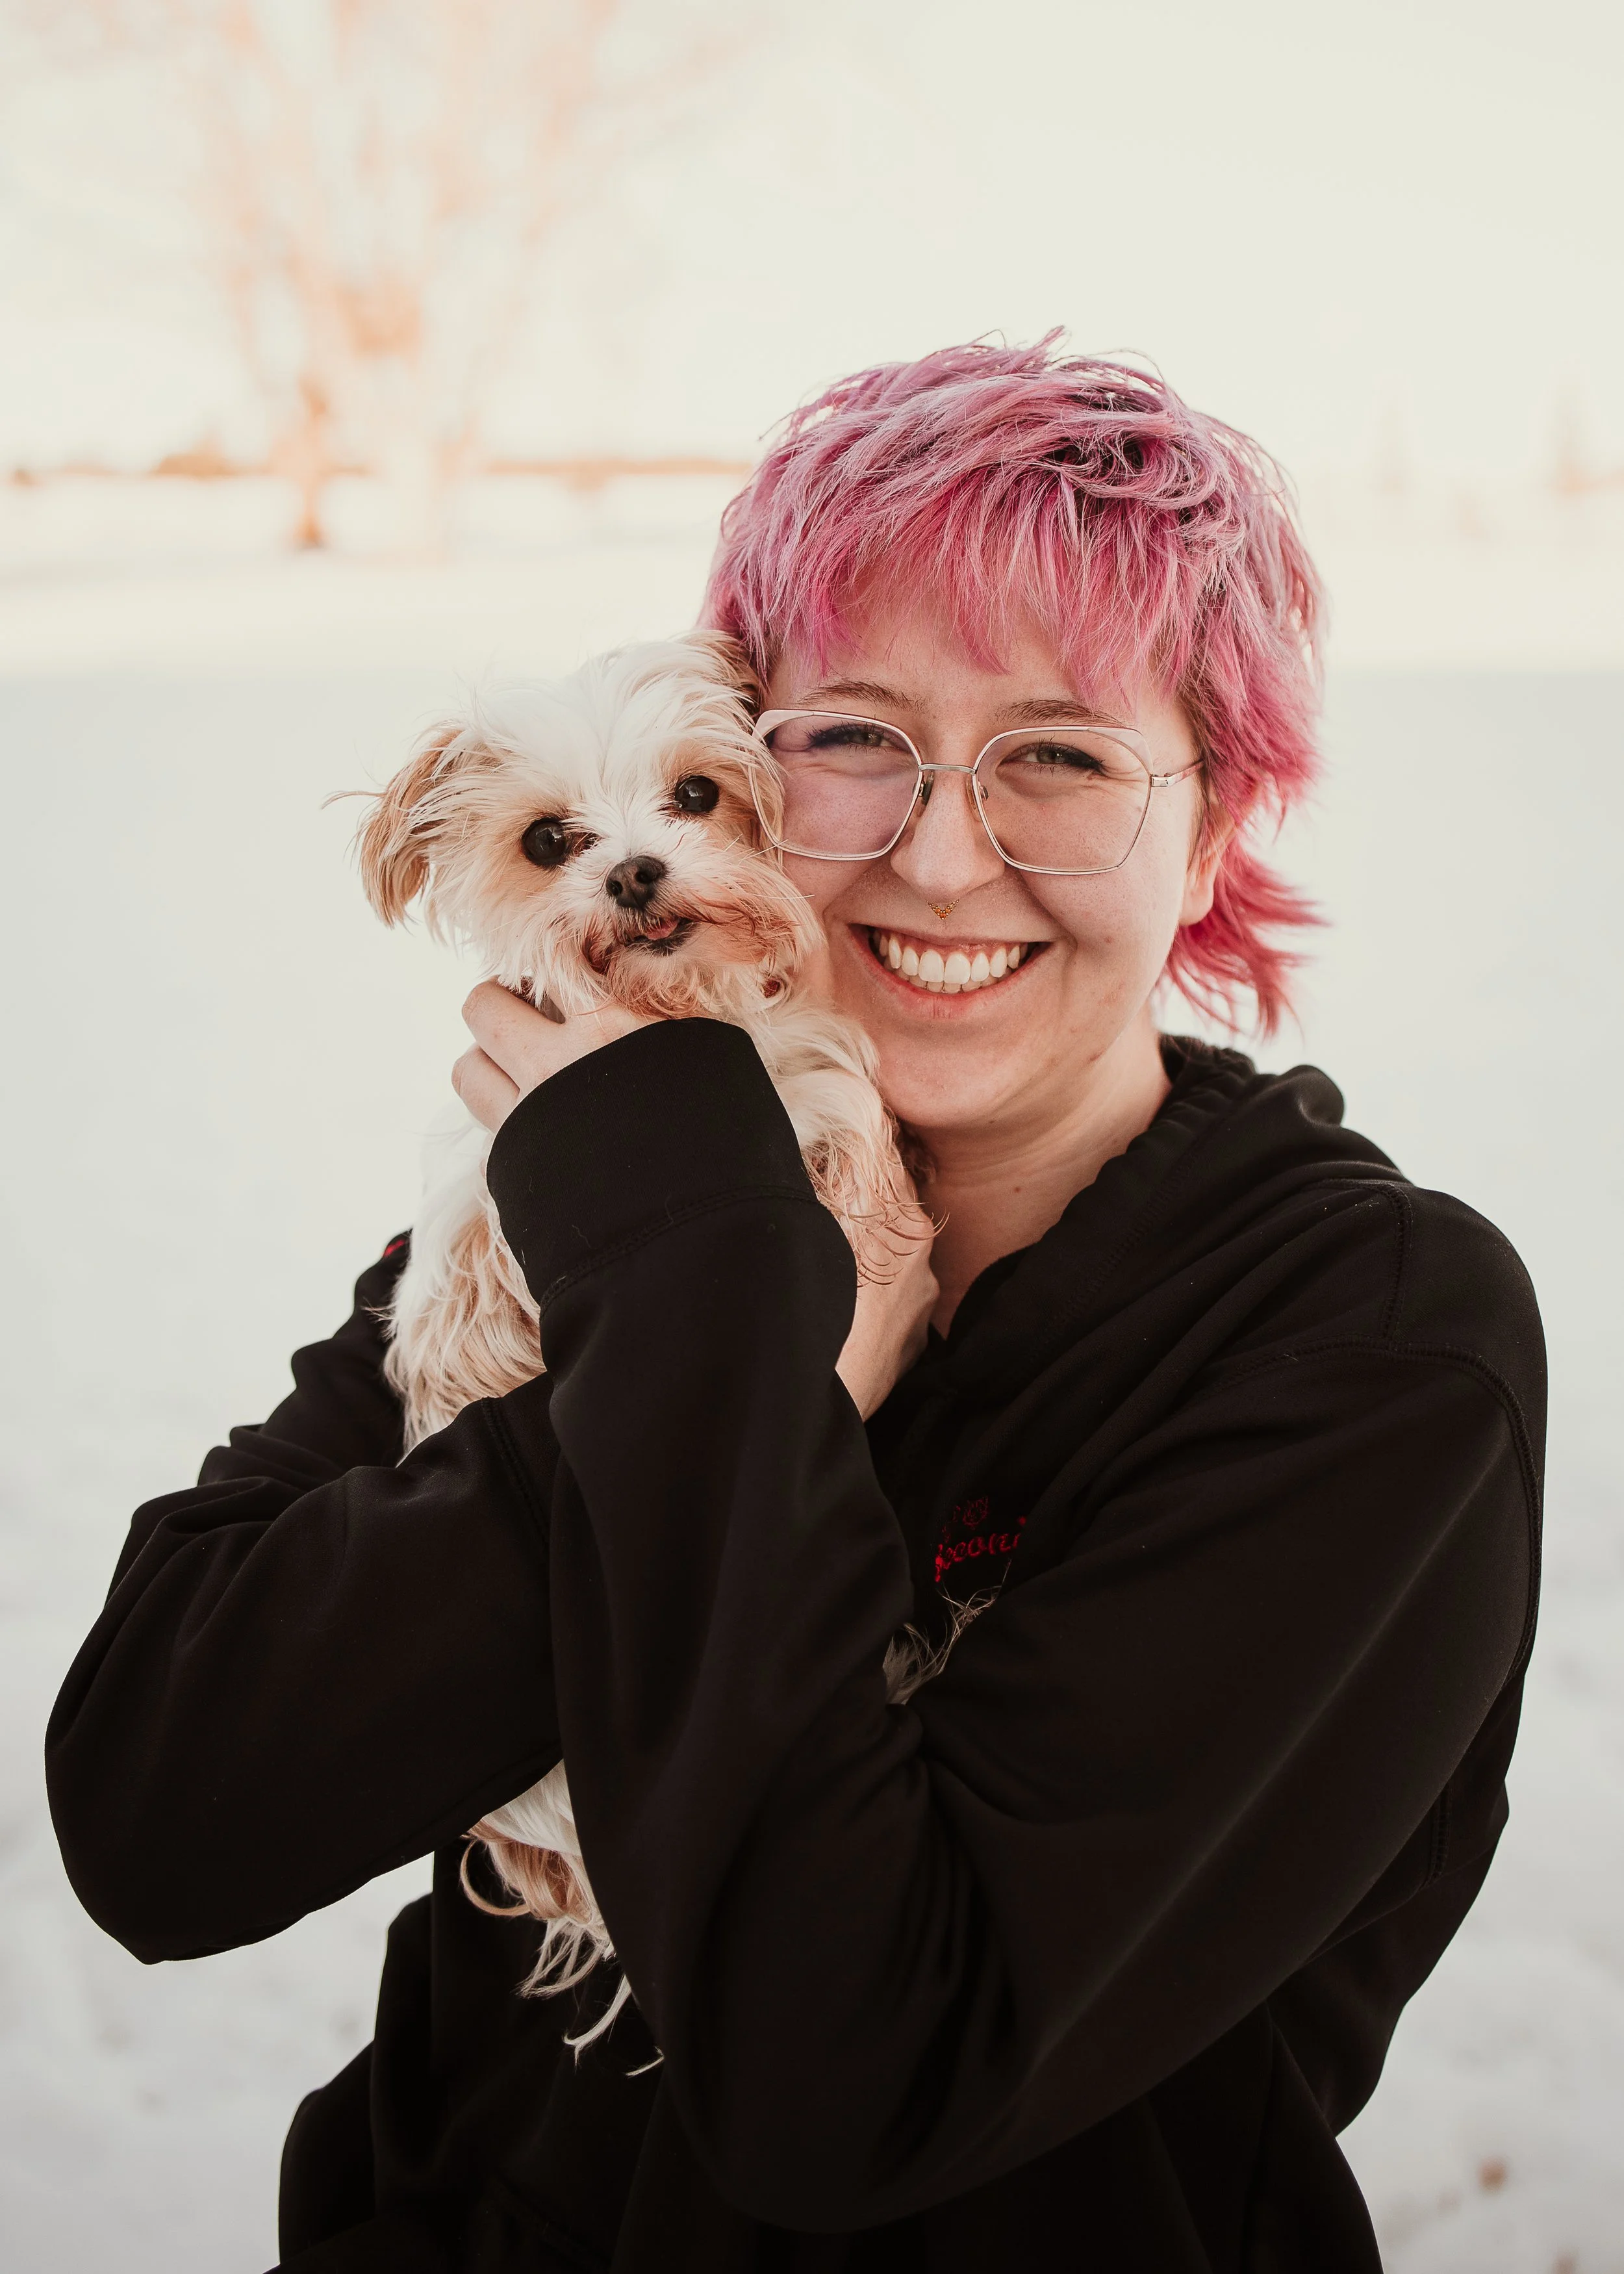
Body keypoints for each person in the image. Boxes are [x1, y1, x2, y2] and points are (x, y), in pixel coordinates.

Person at [46, 339, 1543, 2273]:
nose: (937, 852)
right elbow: (161, 1809)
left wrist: (701, 1369)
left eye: (1062, 755)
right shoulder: (599, 1191)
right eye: (853, 742)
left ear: (1215, 825)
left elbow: (856, 2078)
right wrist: (705, 1304)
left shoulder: (1362, 1342)